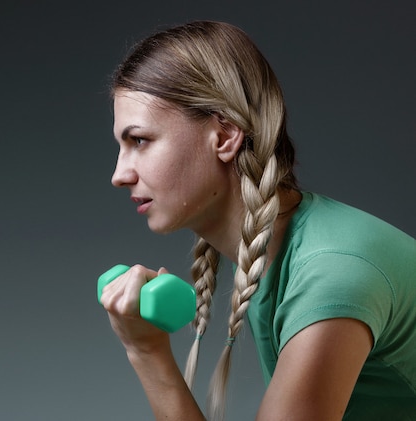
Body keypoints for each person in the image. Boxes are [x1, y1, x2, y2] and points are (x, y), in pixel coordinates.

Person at [98, 20, 416, 421]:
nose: (119, 174)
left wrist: (147, 353)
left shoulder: (331, 274)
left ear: (226, 135)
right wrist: (145, 349)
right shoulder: (278, 256)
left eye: (139, 140)